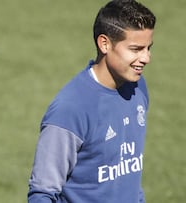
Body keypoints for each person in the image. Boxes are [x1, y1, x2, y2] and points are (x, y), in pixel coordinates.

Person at [28, 0, 156, 202]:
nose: (146, 58)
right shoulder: (70, 109)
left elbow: (128, 175)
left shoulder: (138, 88)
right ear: (104, 44)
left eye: (149, 48)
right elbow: (43, 193)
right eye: (136, 49)